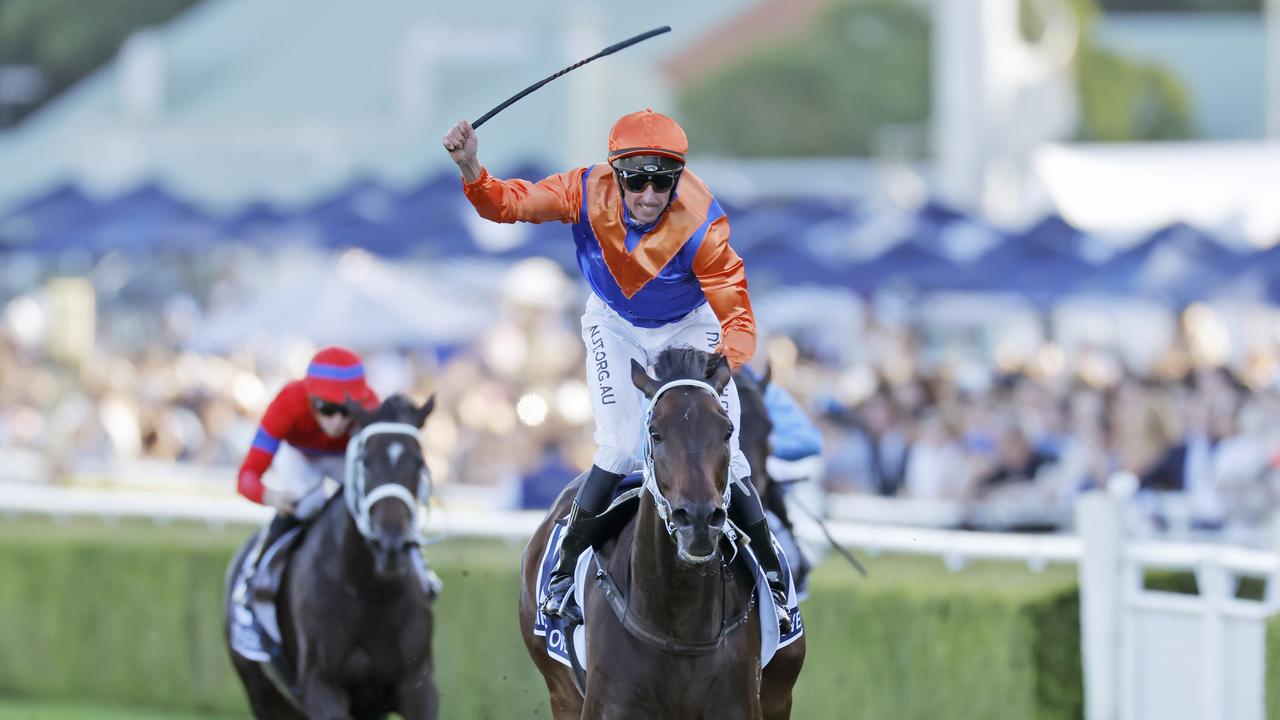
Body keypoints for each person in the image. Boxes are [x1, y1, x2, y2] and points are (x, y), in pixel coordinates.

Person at [443, 109, 792, 631]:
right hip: (614, 323)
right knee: (623, 444)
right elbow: (507, 206)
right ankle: (560, 575)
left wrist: (725, 365)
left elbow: (738, 316)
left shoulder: (704, 223)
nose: (649, 195)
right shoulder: (583, 190)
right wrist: (472, 167)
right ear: (615, 172)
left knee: (730, 451)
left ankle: (775, 581)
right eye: (636, 179)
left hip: (687, 326)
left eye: (663, 181)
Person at [230, 346, 379, 658]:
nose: (338, 422)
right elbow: (246, 476)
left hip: (344, 457)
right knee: (307, 506)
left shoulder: (371, 407)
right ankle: (249, 592)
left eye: (346, 410)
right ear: (310, 399)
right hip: (300, 457)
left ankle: (418, 571)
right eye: (327, 409)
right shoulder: (287, 402)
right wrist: (272, 496)